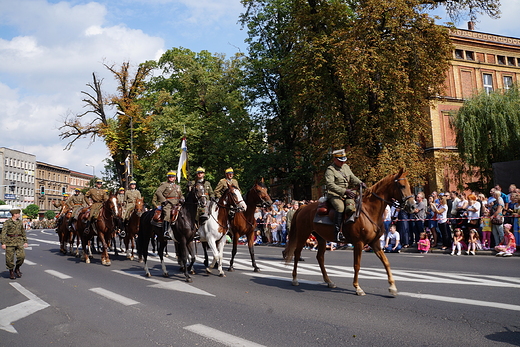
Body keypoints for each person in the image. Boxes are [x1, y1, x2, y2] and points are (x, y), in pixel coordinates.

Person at [324, 149, 364, 242]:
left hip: (347, 193)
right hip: (334, 194)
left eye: (344, 160)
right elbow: (330, 184)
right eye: (340, 161)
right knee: (340, 207)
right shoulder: (330, 170)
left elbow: (353, 177)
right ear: (335, 159)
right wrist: (344, 191)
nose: (343, 162)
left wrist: (361, 183)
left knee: (353, 206)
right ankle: (337, 233)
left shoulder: (346, 167)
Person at [155, 171, 183, 240]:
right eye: (169, 177)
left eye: (172, 177)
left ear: (175, 178)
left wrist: (182, 199)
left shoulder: (178, 186)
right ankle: (166, 231)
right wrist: (163, 200)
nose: (171, 178)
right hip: (168, 204)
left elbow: (181, 195)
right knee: (167, 215)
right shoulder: (164, 185)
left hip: (177, 204)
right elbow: (158, 192)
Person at [1, 209, 28, 279]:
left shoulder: (20, 222)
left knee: (22, 256)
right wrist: (3, 243)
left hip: (19, 241)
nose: (19, 215)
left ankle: (17, 268)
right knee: (9, 259)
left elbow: (23, 232)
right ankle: (11, 271)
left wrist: (25, 241)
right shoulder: (7, 222)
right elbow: (3, 233)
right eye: (18, 214)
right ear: (14, 214)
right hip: (10, 241)